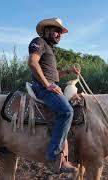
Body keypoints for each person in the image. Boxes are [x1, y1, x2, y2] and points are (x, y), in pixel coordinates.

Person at [28, 17, 79, 173]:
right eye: (56, 30)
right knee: (66, 111)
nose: (59, 34)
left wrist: (69, 71)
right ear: (46, 30)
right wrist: (47, 84)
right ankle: (53, 157)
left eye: (61, 32)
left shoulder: (50, 49)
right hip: (42, 87)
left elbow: (53, 74)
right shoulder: (39, 42)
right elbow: (32, 62)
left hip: (50, 84)